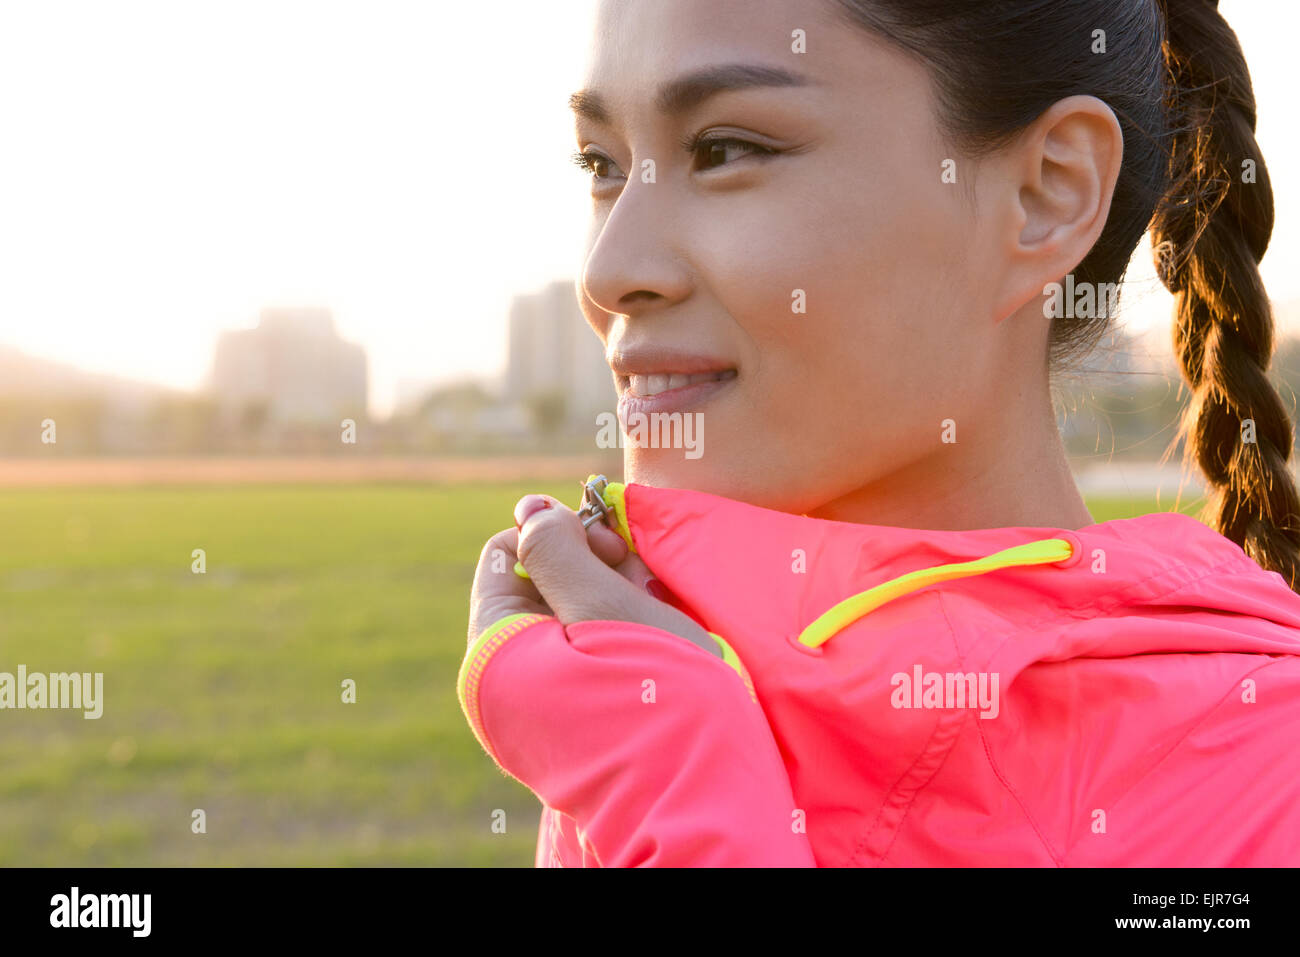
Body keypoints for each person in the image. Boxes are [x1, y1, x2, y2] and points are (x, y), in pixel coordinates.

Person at [459, 0, 1300, 866]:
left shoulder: (1271, 780)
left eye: (724, 150)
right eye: (603, 164)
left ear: (1049, 192)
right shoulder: (664, 681)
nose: (609, 272)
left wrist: (686, 793)